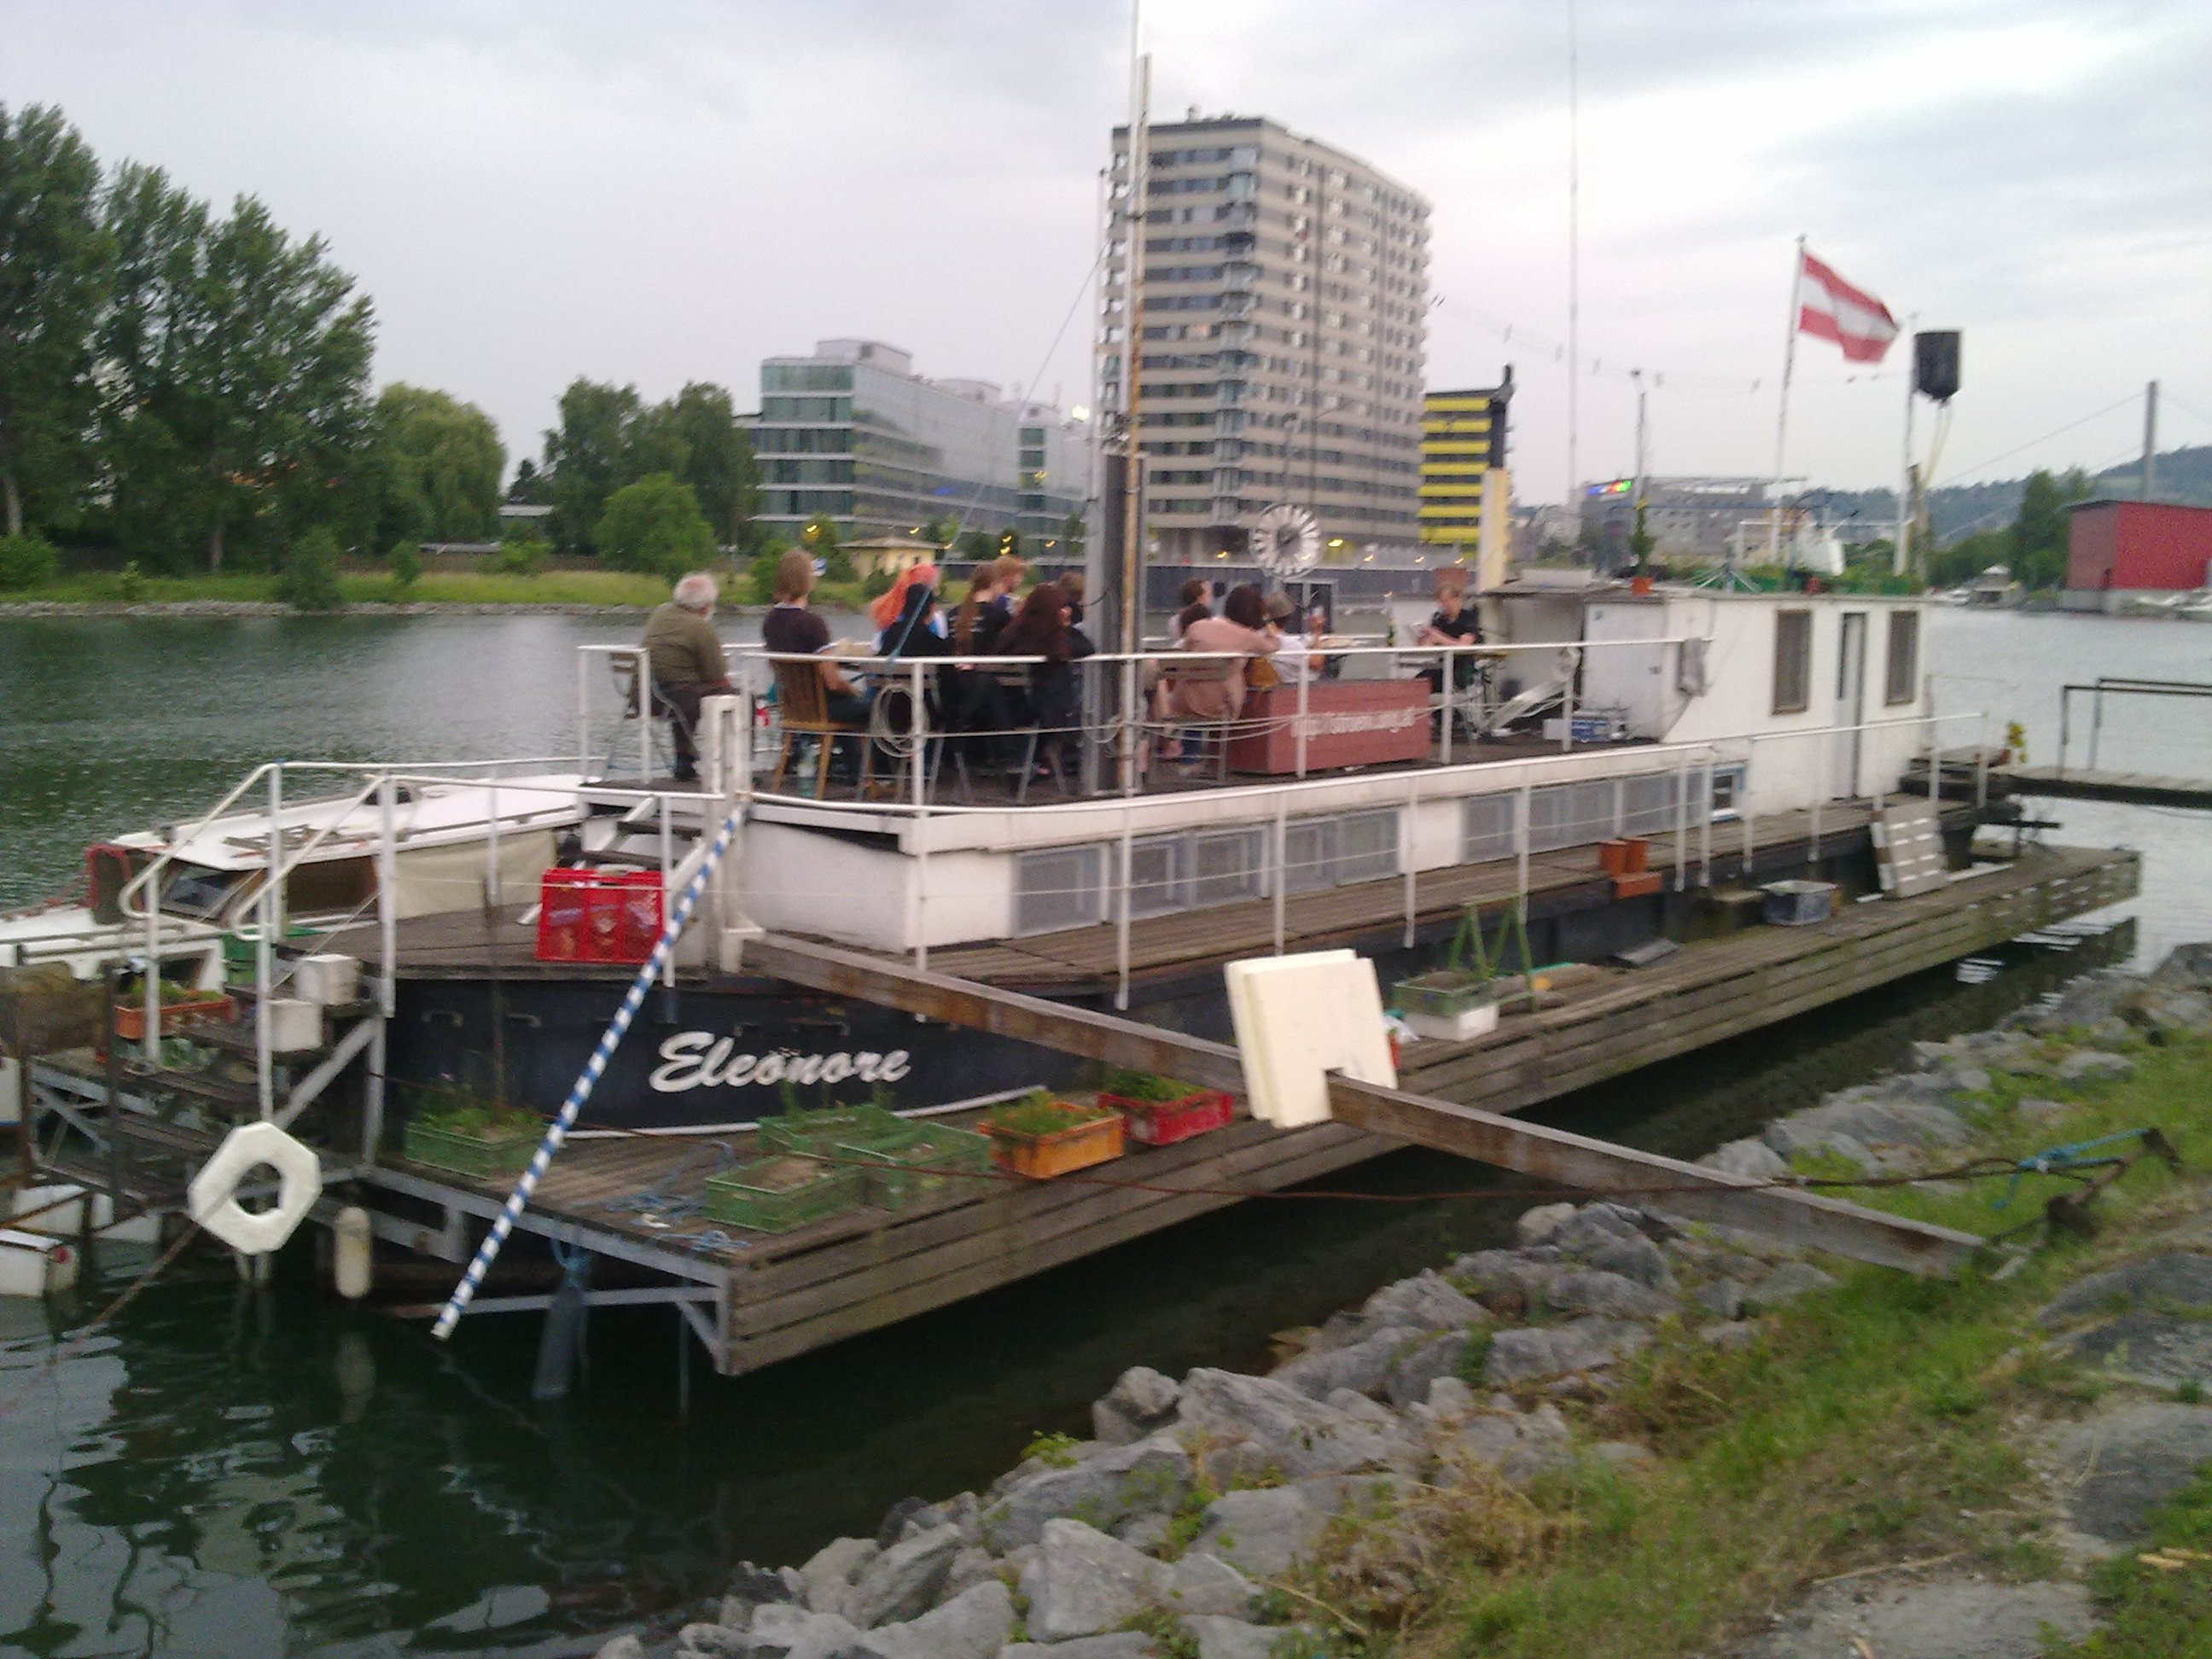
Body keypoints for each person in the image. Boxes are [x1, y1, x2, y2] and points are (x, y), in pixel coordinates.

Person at [762, 550, 870, 771]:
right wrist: (855, 692)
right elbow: (833, 681)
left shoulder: (770, 621)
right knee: (875, 705)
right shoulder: (812, 624)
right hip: (821, 709)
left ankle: (852, 769)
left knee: (848, 705)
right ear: (807, 581)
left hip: (793, 707)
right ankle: (875, 771)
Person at [1161, 584, 1280, 762]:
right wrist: (1267, 625)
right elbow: (1274, 646)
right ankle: (1234, 757)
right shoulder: (1246, 636)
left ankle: (1188, 753)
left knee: (1201, 690)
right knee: (1252, 695)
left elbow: (1184, 650)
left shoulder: (1198, 626)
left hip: (1182, 702)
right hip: (1222, 707)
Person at [994, 579, 1093, 783]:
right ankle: (1062, 758)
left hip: (1006, 708)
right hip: (1042, 711)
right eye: (1062, 608)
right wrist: (1066, 628)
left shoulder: (1013, 633)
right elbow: (1087, 648)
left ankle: (1037, 762)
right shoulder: (1053, 640)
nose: (1067, 611)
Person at [641, 570, 732, 782]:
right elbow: (716, 674)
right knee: (741, 698)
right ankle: (735, 765)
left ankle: (685, 759)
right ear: (705, 606)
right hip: (676, 700)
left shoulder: (661, 612)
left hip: (645, 696)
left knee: (685, 691)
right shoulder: (700, 627)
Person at [1170, 578, 1213, 643]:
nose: (1211, 598)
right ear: (1200, 598)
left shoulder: (1175, 620)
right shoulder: (1212, 621)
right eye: (1209, 595)